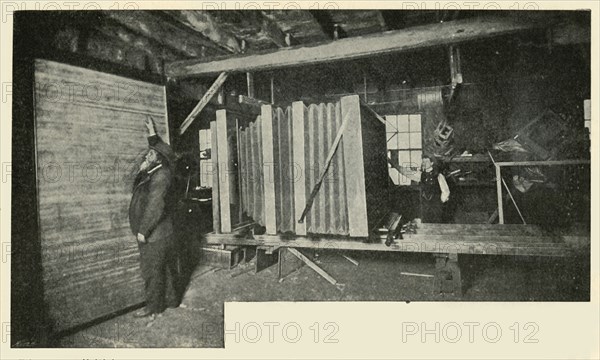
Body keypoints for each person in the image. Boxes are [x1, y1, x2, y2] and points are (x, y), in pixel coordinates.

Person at [129, 116, 179, 319]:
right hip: (165, 233)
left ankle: (153, 307)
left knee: (151, 270)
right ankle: (172, 300)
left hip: (155, 234)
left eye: (150, 154)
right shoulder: (162, 169)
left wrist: (143, 230)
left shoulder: (160, 177)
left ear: (158, 159)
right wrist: (153, 135)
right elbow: (166, 152)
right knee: (165, 267)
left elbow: (155, 206)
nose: (146, 157)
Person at [396, 154, 451, 223]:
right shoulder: (421, 175)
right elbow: (406, 172)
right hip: (424, 205)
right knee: (425, 222)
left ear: (432, 163)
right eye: (423, 162)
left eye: (426, 162)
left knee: (436, 223)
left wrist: (440, 202)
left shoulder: (438, 175)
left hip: (436, 206)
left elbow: (446, 191)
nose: (424, 164)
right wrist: (395, 165)